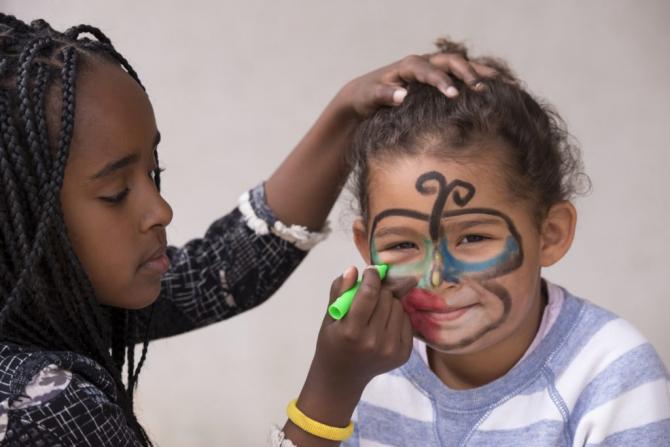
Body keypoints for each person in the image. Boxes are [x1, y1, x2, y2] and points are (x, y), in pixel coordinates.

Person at [0, 15, 494, 446]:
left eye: (153, 172)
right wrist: (331, 390)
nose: (161, 210)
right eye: (114, 193)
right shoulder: (43, 411)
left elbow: (219, 274)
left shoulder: (37, 306)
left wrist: (347, 112)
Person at [295, 39, 669, 446]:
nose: (437, 278)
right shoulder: (363, 367)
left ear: (551, 234)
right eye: (403, 245)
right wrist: (331, 389)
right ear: (365, 245)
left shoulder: (611, 373)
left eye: (473, 237)